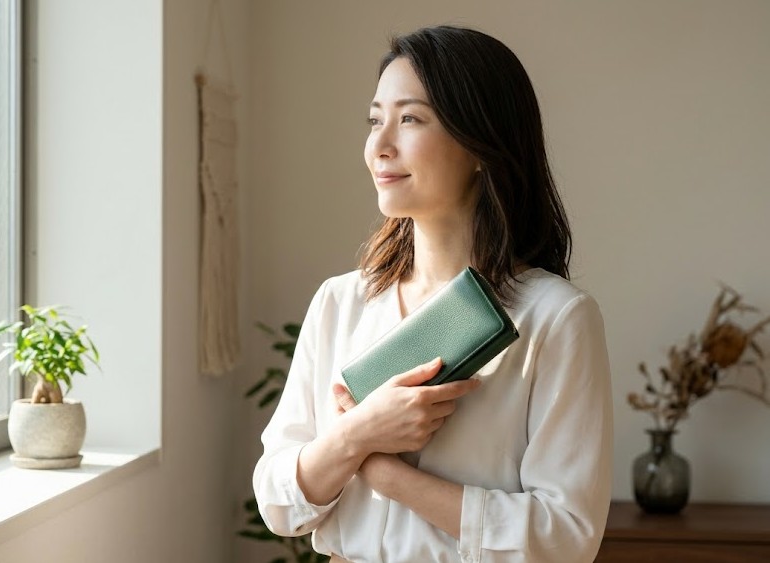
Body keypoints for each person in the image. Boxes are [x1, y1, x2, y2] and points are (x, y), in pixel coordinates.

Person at [253, 25, 612, 563]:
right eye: (375, 120)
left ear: (480, 144)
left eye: (410, 119)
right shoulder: (340, 303)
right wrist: (357, 436)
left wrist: (383, 472)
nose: (380, 145)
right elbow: (277, 502)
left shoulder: (555, 318)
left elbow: (565, 537)